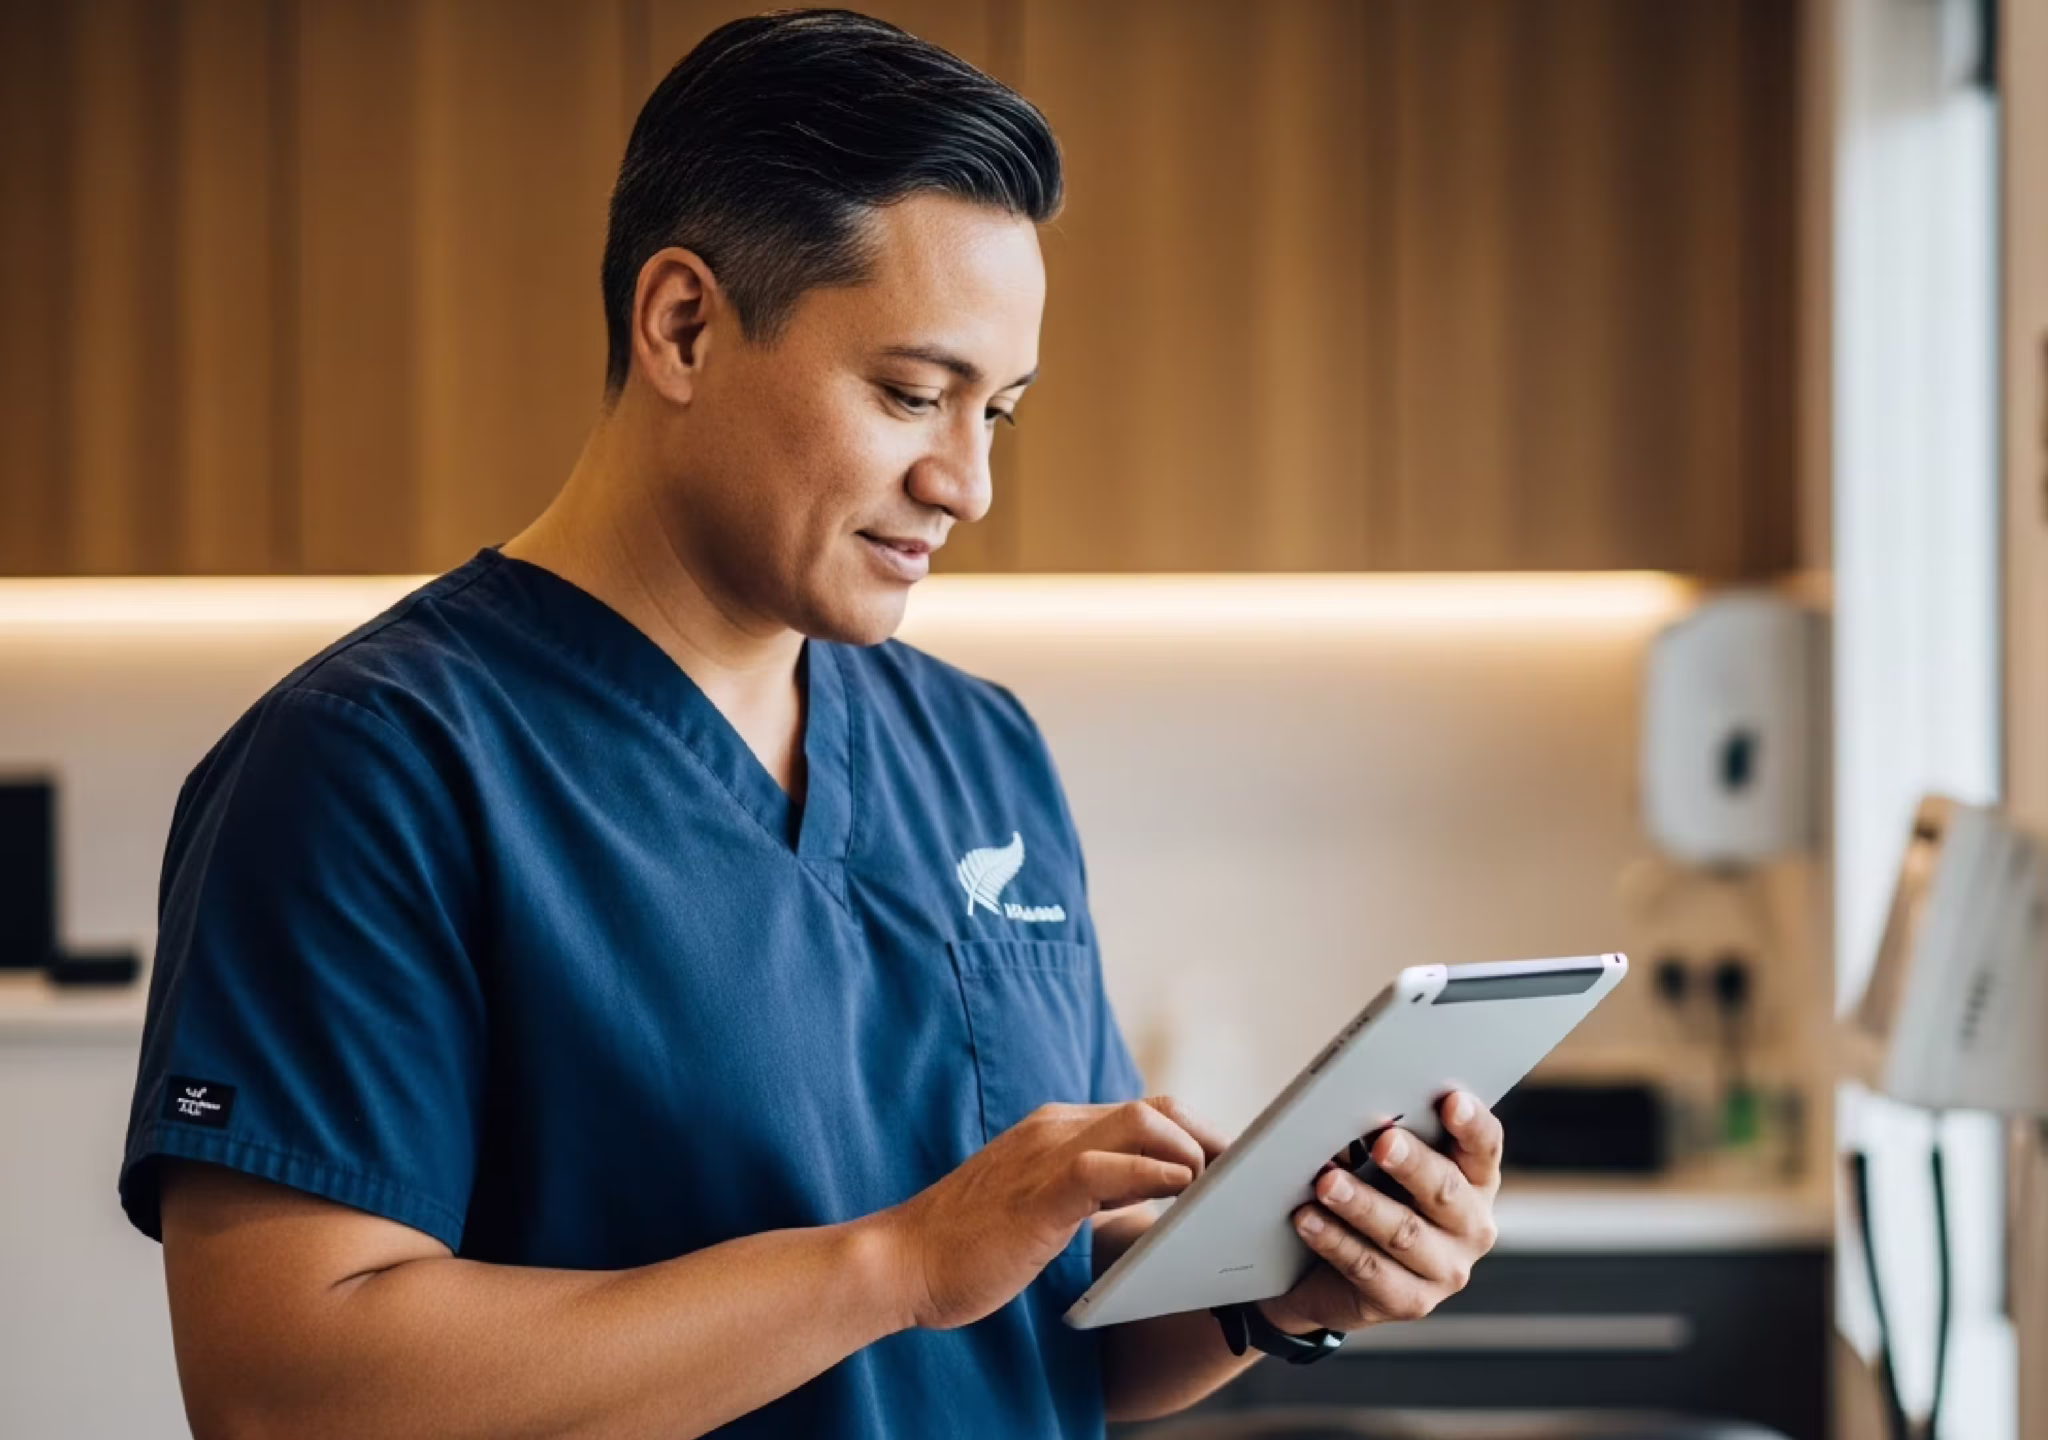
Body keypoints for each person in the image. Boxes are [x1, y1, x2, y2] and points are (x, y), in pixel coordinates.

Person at [116, 11, 1503, 1437]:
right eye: (913, 394)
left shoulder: (979, 754)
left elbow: (1049, 1329)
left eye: (999, 414)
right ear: (684, 325)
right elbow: (287, 1395)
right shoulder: (374, 766)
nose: (966, 483)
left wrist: (1275, 1288)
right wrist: (892, 1266)